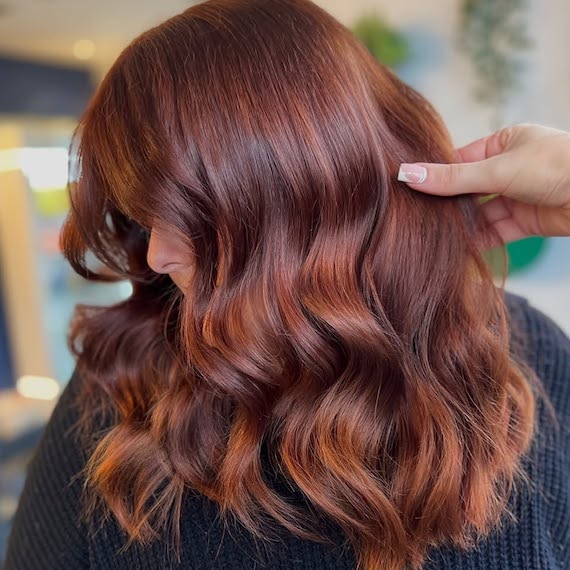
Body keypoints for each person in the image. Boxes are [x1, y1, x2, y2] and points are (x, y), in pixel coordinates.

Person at [4, 1, 570, 570]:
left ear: (310, 202)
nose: (156, 254)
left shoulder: (527, 351)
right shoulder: (124, 379)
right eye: (147, 217)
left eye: (191, 216)